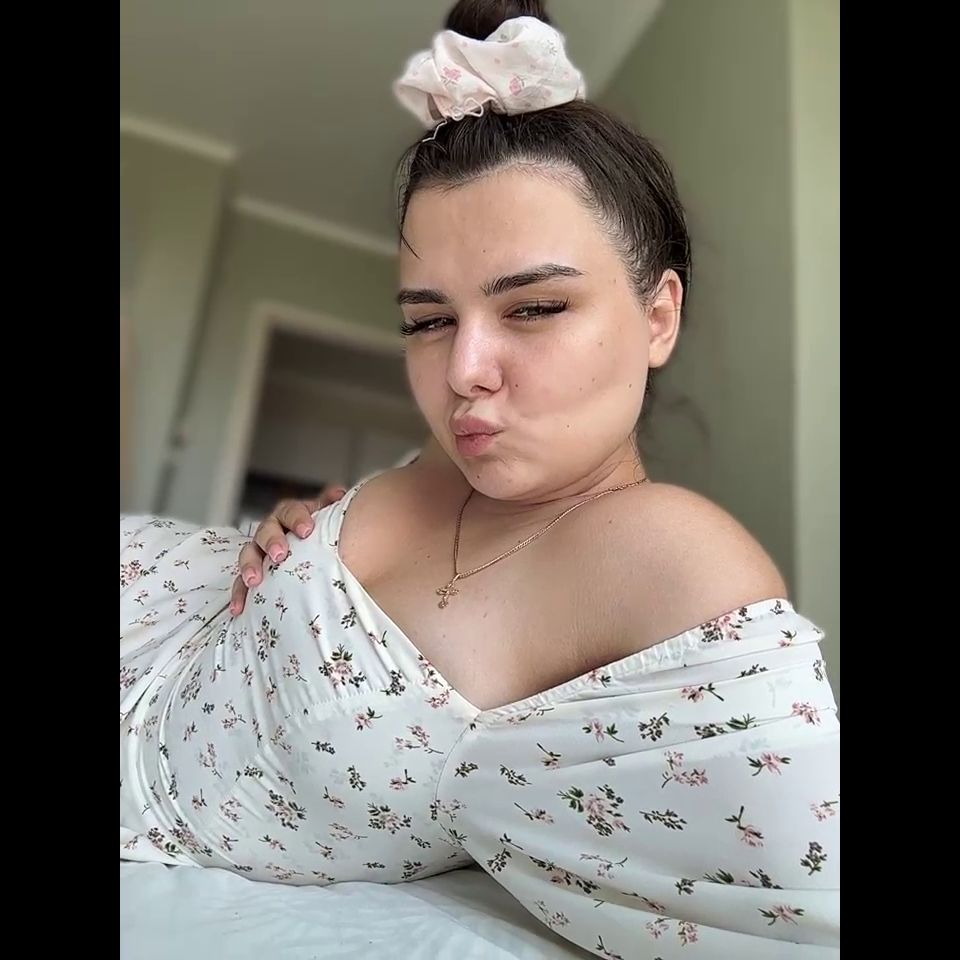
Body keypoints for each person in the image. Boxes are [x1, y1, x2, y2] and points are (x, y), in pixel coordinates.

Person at [120, 3, 839, 956]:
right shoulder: (443, 468)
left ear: (659, 316)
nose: (463, 372)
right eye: (428, 321)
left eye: (534, 307)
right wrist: (298, 533)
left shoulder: (668, 559)